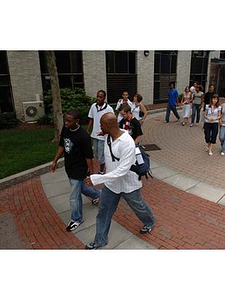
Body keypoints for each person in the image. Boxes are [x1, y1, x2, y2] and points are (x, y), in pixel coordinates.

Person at [84, 113, 156, 250]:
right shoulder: (109, 136)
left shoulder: (127, 143)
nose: (99, 127)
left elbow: (122, 171)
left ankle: (150, 220)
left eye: (101, 125)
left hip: (128, 185)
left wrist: (97, 178)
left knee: (138, 206)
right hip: (111, 185)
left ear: (108, 126)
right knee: (103, 212)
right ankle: (100, 240)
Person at [50, 109, 101, 232]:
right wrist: (55, 161)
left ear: (77, 121)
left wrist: (91, 174)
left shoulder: (83, 136)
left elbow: (89, 157)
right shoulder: (66, 129)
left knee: (74, 196)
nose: (66, 123)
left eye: (69, 121)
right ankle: (97, 195)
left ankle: (76, 219)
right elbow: (62, 145)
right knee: (80, 188)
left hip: (79, 169)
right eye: (65, 120)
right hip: (69, 167)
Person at [87, 90, 114, 174]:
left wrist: (108, 132)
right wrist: (88, 130)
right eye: (97, 96)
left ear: (104, 98)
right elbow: (91, 118)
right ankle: (105, 163)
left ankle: (102, 170)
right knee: (96, 154)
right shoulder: (93, 106)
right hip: (94, 134)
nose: (98, 98)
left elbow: (112, 121)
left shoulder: (109, 109)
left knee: (101, 155)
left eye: (100, 97)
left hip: (103, 136)